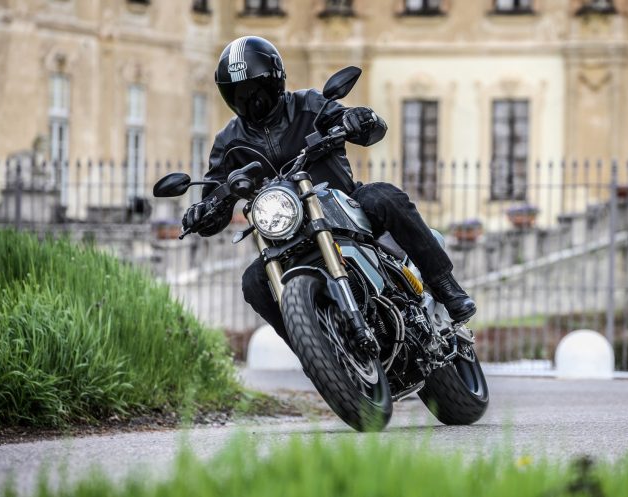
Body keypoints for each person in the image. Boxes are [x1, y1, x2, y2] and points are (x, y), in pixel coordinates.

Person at [183, 36, 475, 346]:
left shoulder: (310, 105)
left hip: (344, 205)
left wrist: (359, 119)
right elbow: (214, 193)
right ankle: (312, 349)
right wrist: (204, 210)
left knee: (382, 196)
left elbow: (370, 130)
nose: (250, 100)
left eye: (256, 89)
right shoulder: (228, 142)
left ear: (275, 80)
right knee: (253, 281)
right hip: (286, 236)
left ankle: (445, 286)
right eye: (238, 93)